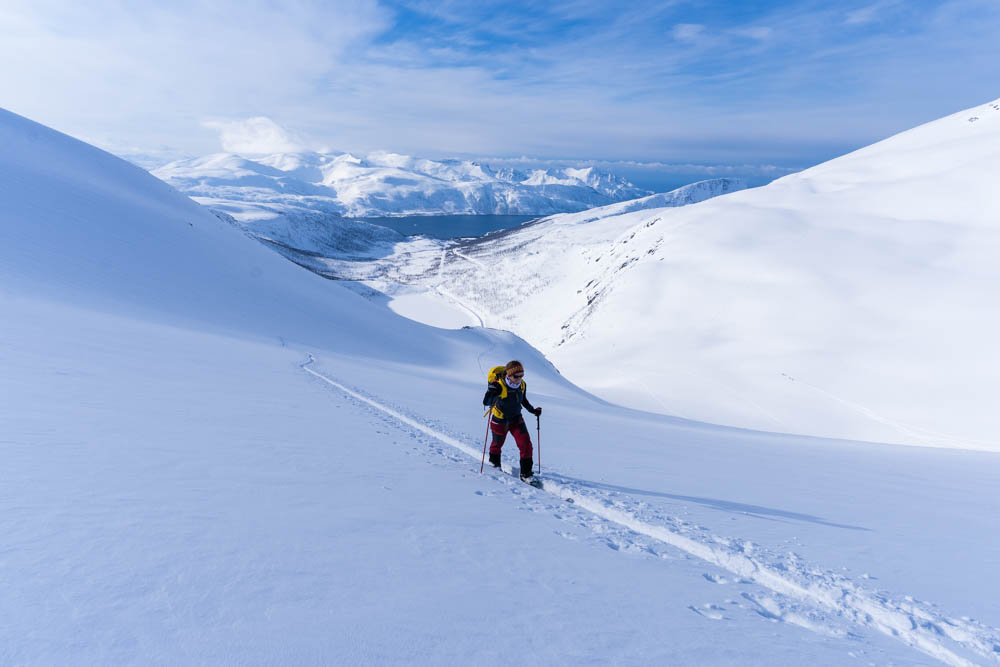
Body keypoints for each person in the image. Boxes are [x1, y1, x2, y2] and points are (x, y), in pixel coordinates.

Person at [483, 360, 542, 480]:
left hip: (516, 419)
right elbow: (486, 402)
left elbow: (523, 400)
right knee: (496, 445)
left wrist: (533, 410)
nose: (519, 378)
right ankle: (495, 466)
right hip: (500, 420)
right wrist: (490, 391)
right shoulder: (499, 385)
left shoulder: (522, 385)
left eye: (522, 375)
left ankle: (526, 474)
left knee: (526, 445)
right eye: (516, 376)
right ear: (508, 375)